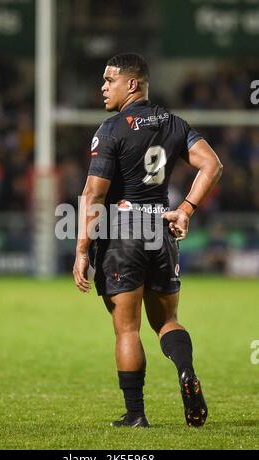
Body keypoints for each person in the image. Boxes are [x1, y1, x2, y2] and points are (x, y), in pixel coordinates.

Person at [73, 53, 223, 427]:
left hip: (123, 231)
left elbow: (93, 195)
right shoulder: (174, 124)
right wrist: (185, 209)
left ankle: (136, 415)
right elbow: (212, 164)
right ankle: (186, 372)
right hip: (161, 227)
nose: (103, 87)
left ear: (133, 84)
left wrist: (80, 251)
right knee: (167, 320)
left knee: (127, 328)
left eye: (110, 80)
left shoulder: (110, 129)